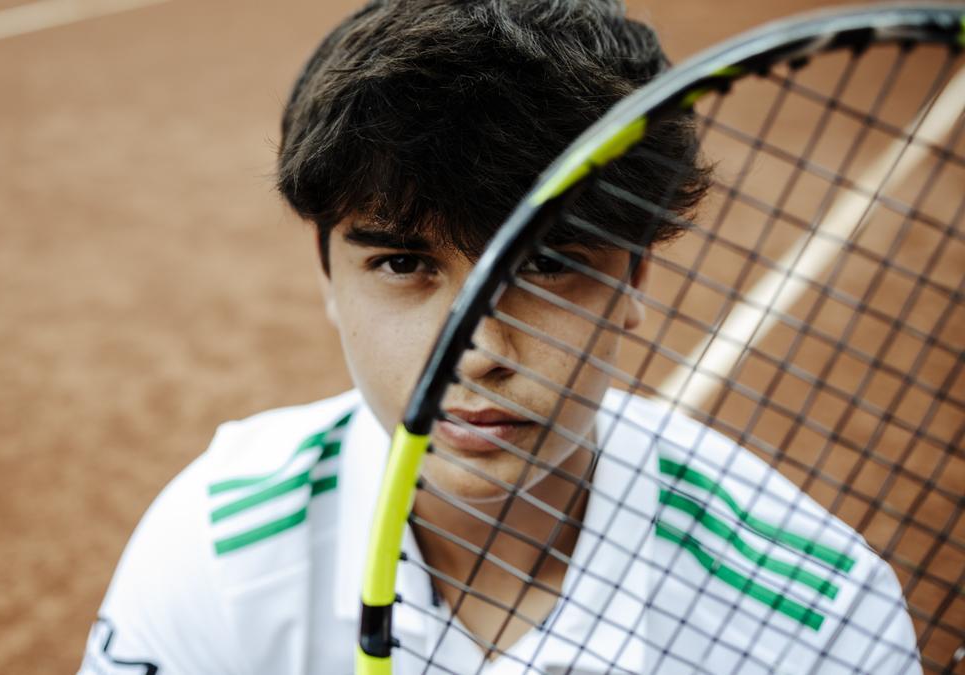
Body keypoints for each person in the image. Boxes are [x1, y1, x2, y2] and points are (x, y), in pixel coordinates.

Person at [78, 1, 921, 673]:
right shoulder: (218, 550)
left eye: (548, 263)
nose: (478, 350)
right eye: (404, 262)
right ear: (328, 276)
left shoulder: (816, 621)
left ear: (632, 278)